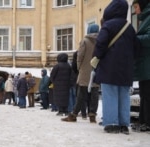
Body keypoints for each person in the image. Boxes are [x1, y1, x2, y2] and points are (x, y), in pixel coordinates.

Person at [90, 0, 138, 134]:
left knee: (110, 93)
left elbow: (101, 44)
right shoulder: (129, 27)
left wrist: (96, 57)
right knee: (124, 95)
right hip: (126, 68)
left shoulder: (108, 25)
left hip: (109, 67)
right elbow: (136, 47)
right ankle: (124, 123)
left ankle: (112, 122)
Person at [62, 24, 100, 123]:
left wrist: (79, 68)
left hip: (84, 71)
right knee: (94, 93)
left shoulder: (85, 41)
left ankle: (74, 114)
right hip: (96, 70)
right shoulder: (101, 40)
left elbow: (80, 56)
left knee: (81, 94)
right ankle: (92, 115)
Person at [132, 0, 150, 132]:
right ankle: (143, 121)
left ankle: (147, 122)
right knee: (144, 94)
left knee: (148, 94)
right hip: (144, 63)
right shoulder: (145, 19)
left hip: (148, 62)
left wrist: (135, 39)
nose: (135, 10)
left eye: (136, 7)